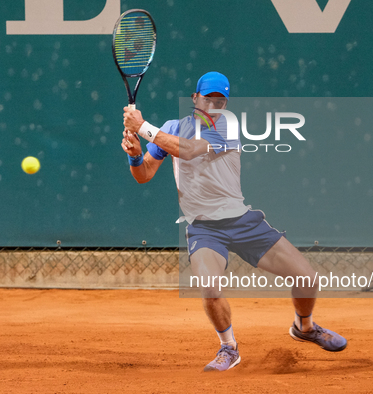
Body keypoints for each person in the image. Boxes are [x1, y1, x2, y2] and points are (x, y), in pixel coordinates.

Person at [121, 72, 347, 372]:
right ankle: (228, 348)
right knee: (209, 288)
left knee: (307, 279)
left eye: (220, 100)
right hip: (204, 228)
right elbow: (144, 175)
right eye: (208, 98)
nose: (213, 104)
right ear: (195, 98)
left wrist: (142, 127)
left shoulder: (226, 125)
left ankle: (304, 328)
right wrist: (136, 156)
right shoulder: (172, 129)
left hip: (242, 222)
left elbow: (188, 150)